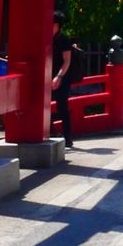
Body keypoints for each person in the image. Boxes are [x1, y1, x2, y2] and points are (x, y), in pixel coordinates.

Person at [51, 10, 79, 151]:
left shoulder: (63, 40)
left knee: (62, 106)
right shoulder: (47, 38)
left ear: (56, 24)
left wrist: (59, 77)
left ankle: (68, 139)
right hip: (48, 76)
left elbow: (66, 61)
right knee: (44, 106)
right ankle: (50, 132)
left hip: (62, 77)